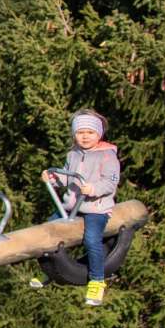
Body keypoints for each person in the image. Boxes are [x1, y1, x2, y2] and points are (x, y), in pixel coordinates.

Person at [53, 110, 121, 307]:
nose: (84, 136)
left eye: (89, 132)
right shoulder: (73, 154)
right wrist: (54, 179)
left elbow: (110, 183)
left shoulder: (107, 156)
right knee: (48, 229)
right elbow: (67, 177)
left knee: (91, 239)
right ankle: (50, 270)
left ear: (98, 134)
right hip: (72, 205)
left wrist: (94, 189)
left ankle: (97, 280)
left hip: (95, 208)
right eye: (80, 132)